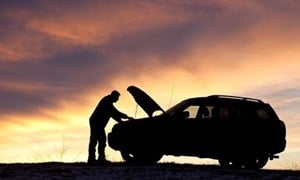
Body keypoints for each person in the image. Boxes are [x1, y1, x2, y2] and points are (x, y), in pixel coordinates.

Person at [88, 90, 130, 165]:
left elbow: (114, 113)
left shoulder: (108, 101)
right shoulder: (107, 102)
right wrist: (123, 119)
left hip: (97, 122)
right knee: (99, 140)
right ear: (114, 96)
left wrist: (125, 117)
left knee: (97, 140)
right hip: (96, 122)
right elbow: (114, 113)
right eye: (117, 98)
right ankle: (96, 159)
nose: (117, 100)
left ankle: (95, 158)